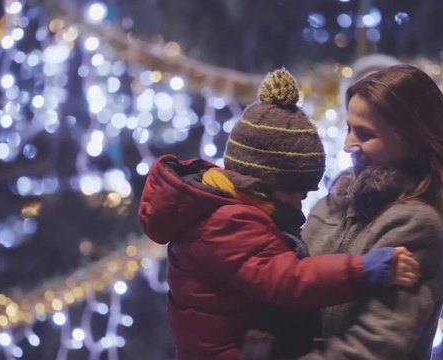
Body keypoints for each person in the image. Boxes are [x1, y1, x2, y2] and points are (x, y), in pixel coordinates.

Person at [138, 68, 421, 360]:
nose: (299, 209)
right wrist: (364, 270)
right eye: (297, 195)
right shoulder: (228, 222)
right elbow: (289, 280)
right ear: (265, 185)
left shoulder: (221, 207)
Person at [301, 64, 443, 360]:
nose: (349, 145)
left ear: (411, 138)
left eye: (365, 133)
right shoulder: (334, 203)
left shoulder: (416, 225)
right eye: (350, 128)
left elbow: (373, 346)